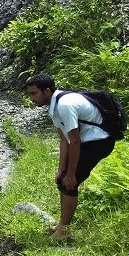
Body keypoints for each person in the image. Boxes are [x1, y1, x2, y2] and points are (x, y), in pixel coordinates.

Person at [26, 73, 116, 241]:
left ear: (46, 91)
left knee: (70, 184)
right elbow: (64, 140)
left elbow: (74, 142)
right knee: (62, 180)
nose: (31, 98)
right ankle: (62, 226)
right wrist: (61, 171)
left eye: (33, 93)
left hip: (100, 141)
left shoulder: (64, 105)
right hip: (86, 142)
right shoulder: (54, 106)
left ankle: (64, 231)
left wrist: (71, 174)